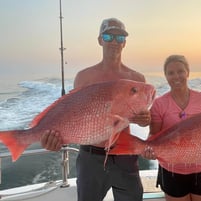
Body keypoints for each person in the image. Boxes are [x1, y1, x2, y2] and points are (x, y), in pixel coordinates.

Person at [41, 18, 151, 201]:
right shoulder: (84, 77)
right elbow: (71, 115)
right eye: (108, 36)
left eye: (120, 37)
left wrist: (145, 119)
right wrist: (54, 138)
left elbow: (144, 117)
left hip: (124, 156)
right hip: (90, 158)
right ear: (100, 40)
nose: (114, 42)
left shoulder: (137, 79)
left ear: (125, 43)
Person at [143, 55, 201, 201]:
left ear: (187, 73)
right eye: (171, 73)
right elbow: (154, 135)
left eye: (180, 71)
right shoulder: (159, 104)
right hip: (171, 170)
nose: (176, 76)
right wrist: (148, 149)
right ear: (165, 76)